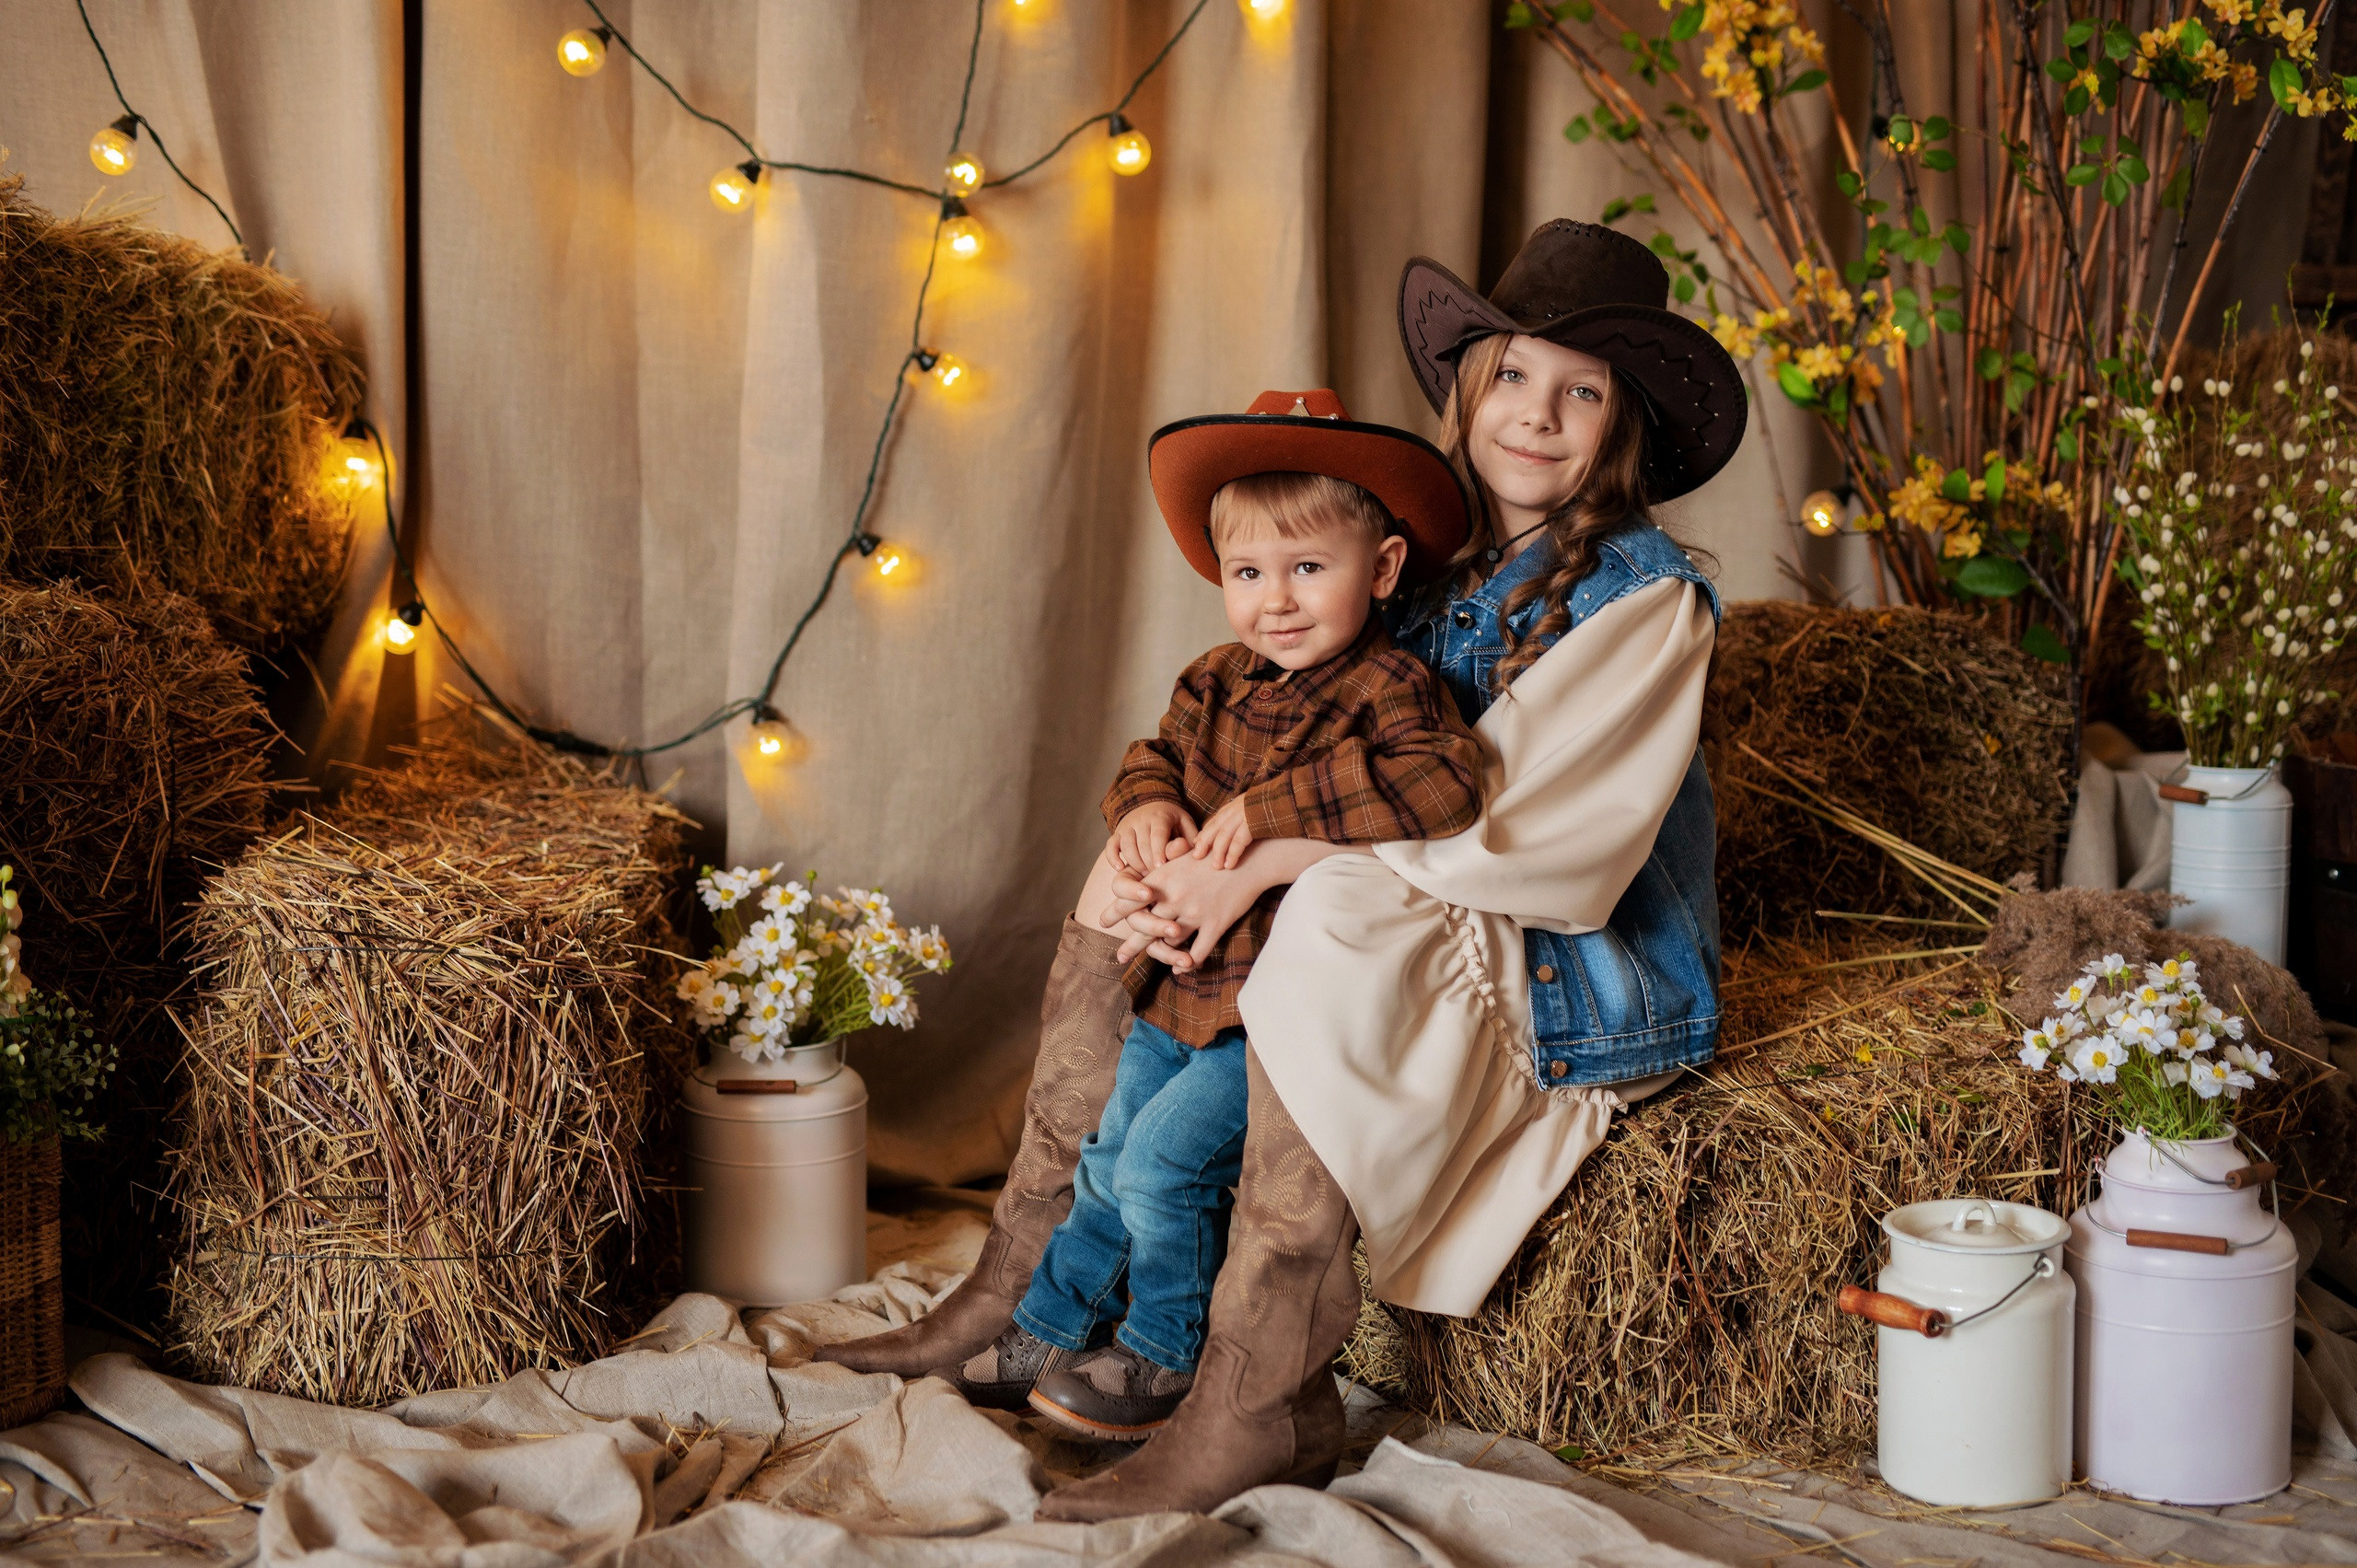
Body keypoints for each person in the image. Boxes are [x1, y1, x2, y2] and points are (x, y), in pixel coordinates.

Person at [820, 219, 1745, 1520]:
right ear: (1465, 390)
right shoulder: (1409, 568)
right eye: (1513, 377)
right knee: (1128, 869)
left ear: (1624, 424)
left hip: (1563, 951)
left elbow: (1530, 832)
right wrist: (1174, 838)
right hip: (1412, 886)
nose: (1537, 415)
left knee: (1344, 903)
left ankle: (1258, 1390)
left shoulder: (1642, 600)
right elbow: (1251, 743)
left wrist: (1261, 855)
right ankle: (1014, 1293)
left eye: (1581, 391)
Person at [947, 394, 1484, 1442]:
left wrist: (1261, 809)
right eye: (1247, 573)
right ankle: (1053, 1327)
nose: (1274, 601)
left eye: (1307, 569)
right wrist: (1145, 807)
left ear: (1378, 570)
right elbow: (1152, 755)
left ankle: (1162, 1353)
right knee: (1107, 1152)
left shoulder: (1394, 690)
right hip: (1176, 982)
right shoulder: (1214, 678)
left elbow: (1442, 788)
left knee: (1163, 1165)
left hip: (1269, 1012)